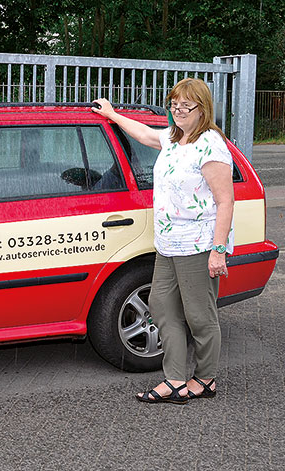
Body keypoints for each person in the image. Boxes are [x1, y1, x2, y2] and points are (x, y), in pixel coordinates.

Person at [91, 78, 234, 405]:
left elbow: (225, 201)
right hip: (169, 243)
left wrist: (218, 251)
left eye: (186, 105)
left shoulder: (210, 145)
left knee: (200, 315)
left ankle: (206, 378)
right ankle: (174, 380)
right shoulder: (174, 138)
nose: (179, 110)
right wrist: (113, 114)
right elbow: (143, 133)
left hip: (198, 244)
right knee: (161, 307)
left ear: (203, 108)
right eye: (175, 104)